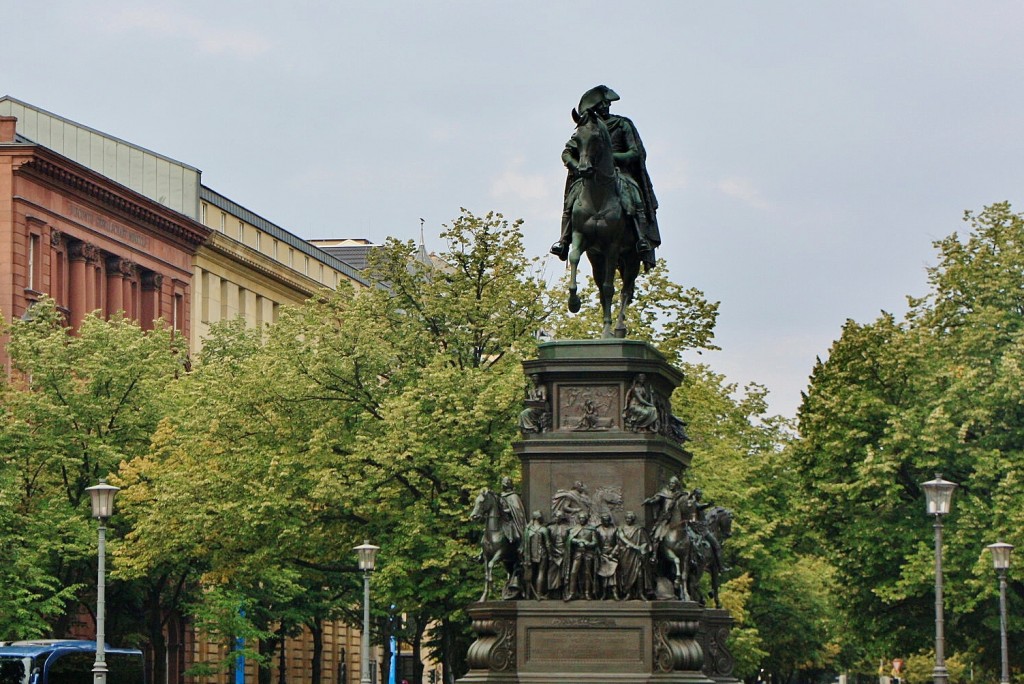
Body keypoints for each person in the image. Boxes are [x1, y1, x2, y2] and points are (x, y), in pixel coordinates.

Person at [551, 85, 660, 268]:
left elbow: (635, 152)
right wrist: (576, 166)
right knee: (572, 200)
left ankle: (642, 239)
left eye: (606, 104)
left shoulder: (622, 124)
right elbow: (567, 152)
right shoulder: (586, 128)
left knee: (634, 195)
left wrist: (611, 157)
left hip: (619, 172)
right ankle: (563, 240)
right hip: (589, 174)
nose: (605, 107)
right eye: (602, 105)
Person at [616, 511, 655, 600]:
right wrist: (635, 546)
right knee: (626, 574)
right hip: (625, 554)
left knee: (639, 573)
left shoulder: (639, 529)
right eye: (626, 518)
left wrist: (641, 548)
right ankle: (628, 593)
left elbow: (645, 542)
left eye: (630, 518)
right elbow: (622, 538)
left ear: (633, 519)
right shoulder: (621, 528)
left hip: (636, 555)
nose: (628, 520)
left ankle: (641, 593)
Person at [562, 512, 599, 600]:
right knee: (573, 572)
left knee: (587, 573)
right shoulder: (574, 529)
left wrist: (587, 543)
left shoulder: (591, 529)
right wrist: (579, 541)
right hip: (577, 553)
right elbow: (570, 539)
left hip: (588, 554)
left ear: (586, 519)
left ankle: (587, 593)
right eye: (580, 518)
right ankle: (571, 593)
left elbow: (595, 542)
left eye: (584, 518)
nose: (582, 520)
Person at [521, 510, 551, 599]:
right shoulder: (543, 530)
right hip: (542, 554)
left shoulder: (527, 531)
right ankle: (538, 593)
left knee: (530, 573)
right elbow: (548, 544)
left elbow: (525, 544)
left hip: (529, 556)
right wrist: (551, 555)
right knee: (541, 573)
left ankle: (528, 594)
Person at [595, 513, 620, 600]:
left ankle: (614, 592)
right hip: (602, 555)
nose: (606, 522)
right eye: (604, 520)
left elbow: (618, 543)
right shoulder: (597, 529)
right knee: (603, 574)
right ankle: (604, 593)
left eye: (607, 520)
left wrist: (612, 554)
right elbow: (596, 543)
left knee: (614, 574)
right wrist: (600, 554)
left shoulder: (614, 529)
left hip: (612, 554)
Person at [498, 476, 526, 545]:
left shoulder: (513, 496)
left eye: (504, 484)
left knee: (516, 534)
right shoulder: (502, 496)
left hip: (510, 520)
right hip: (502, 519)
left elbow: (517, 510)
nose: (503, 486)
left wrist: (508, 511)